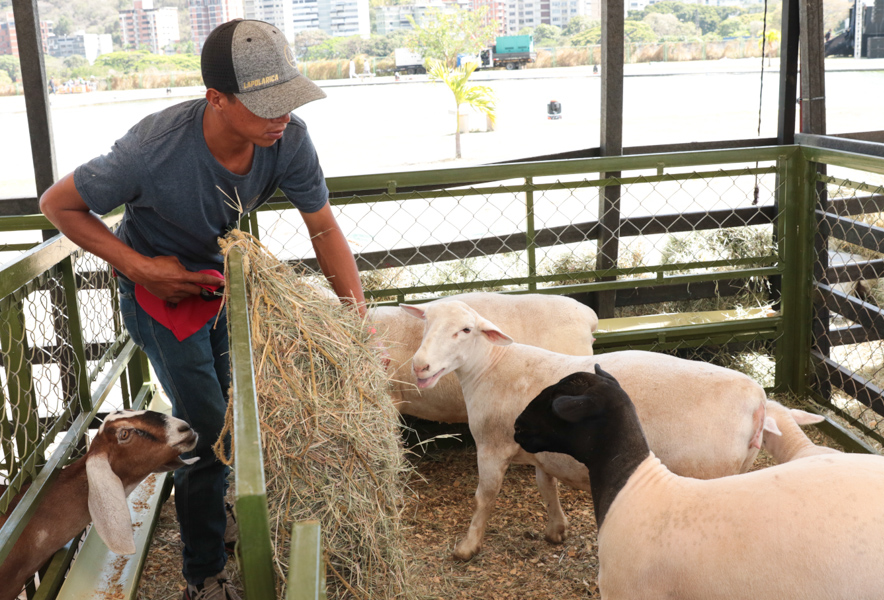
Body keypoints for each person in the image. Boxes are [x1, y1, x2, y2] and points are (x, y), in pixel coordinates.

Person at [40, 18, 367, 600]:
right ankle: (204, 575)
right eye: (267, 105)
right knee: (208, 430)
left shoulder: (288, 139)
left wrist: (356, 318)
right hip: (156, 295)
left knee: (237, 410)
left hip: (214, 285)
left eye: (288, 100)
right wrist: (140, 268)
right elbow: (58, 205)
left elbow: (322, 227)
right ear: (216, 98)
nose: (282, 116)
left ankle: (224, 515)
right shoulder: (151, 150)